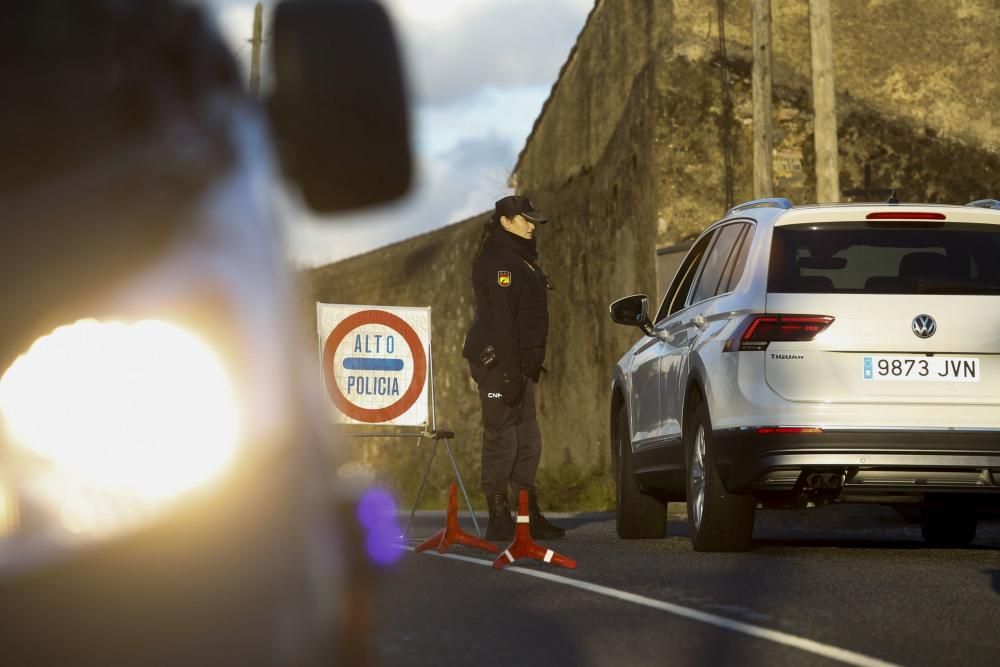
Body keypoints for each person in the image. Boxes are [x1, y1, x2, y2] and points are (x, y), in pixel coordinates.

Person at [462, 195, 565, 541]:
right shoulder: (500, 262)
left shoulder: (521, 257)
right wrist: (507, 374)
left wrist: (522, 367)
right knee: (501, 436)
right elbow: (503, 321)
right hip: (499, 364)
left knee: (528, 439)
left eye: (533, 220)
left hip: (520, 364)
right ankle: (498, 515)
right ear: (505, 222)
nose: (532, 225)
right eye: (525, 220)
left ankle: (526, 513)